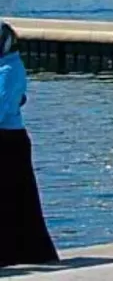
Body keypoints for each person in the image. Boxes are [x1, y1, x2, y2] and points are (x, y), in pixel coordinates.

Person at [0, 22, 59, 268]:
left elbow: (2, 108)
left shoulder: (9, 68)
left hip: (8, 142)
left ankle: (28, 252)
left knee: (16, 198)